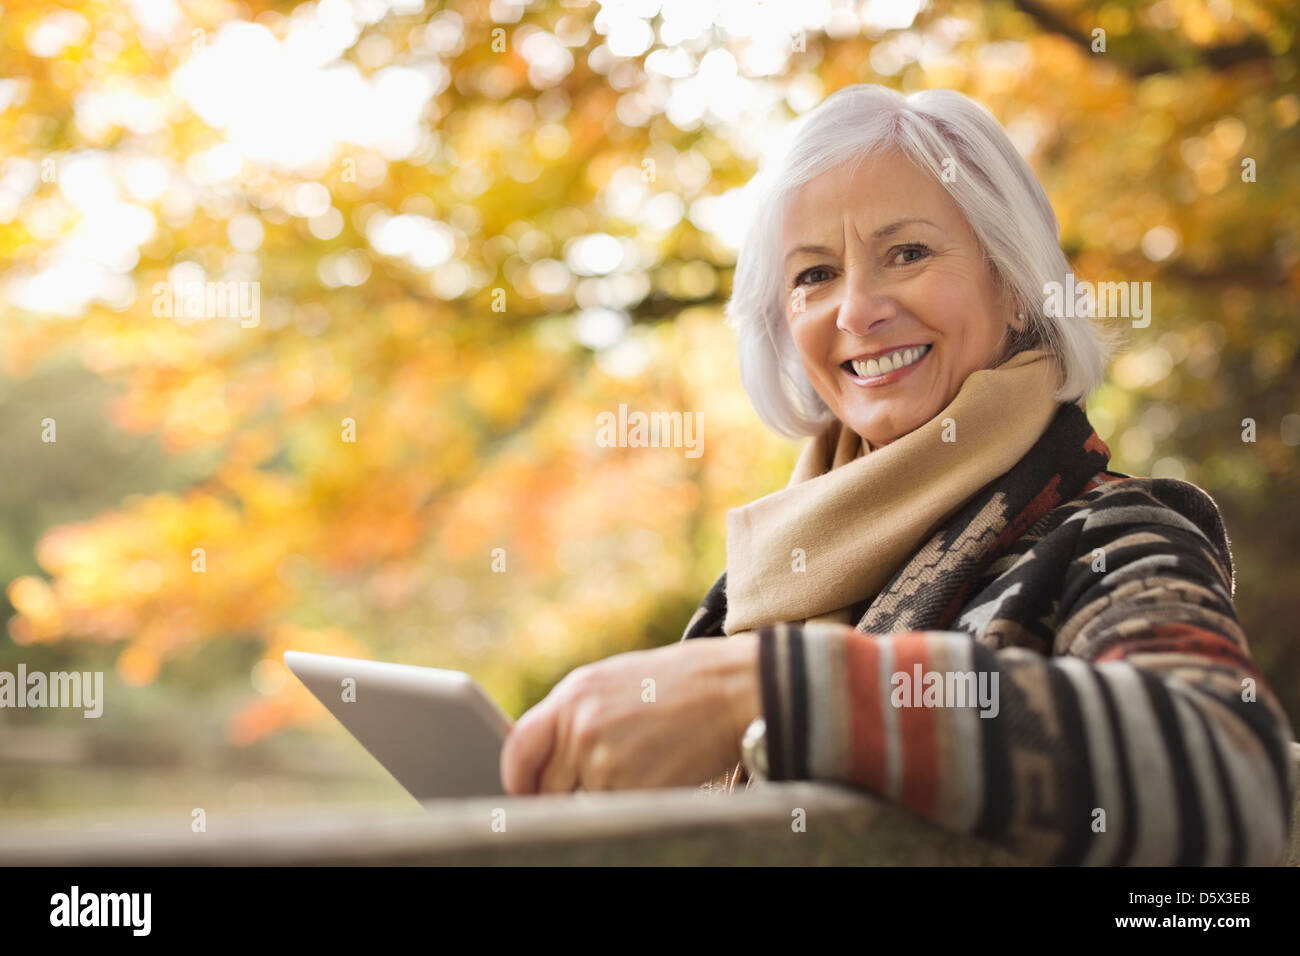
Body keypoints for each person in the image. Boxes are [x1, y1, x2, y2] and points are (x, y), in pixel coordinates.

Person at [499, 84, 1296, 865]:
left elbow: (1238, 775)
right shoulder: (757, 582)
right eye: (813, 274)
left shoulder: (1109, 539)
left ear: (1017, 289)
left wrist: (781, 693)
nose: (855, 309)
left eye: (907, 253)